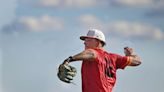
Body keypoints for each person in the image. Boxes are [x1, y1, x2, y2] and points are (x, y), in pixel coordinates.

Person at [62, 29, 141, 92]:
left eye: (88, 40)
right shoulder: (114, 58)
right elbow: (137, 61)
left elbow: (91, 54)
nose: (85, 43)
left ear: (98, 42)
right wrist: (130, 55)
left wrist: (69, 59)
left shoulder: (94, 53)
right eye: (85, 40)